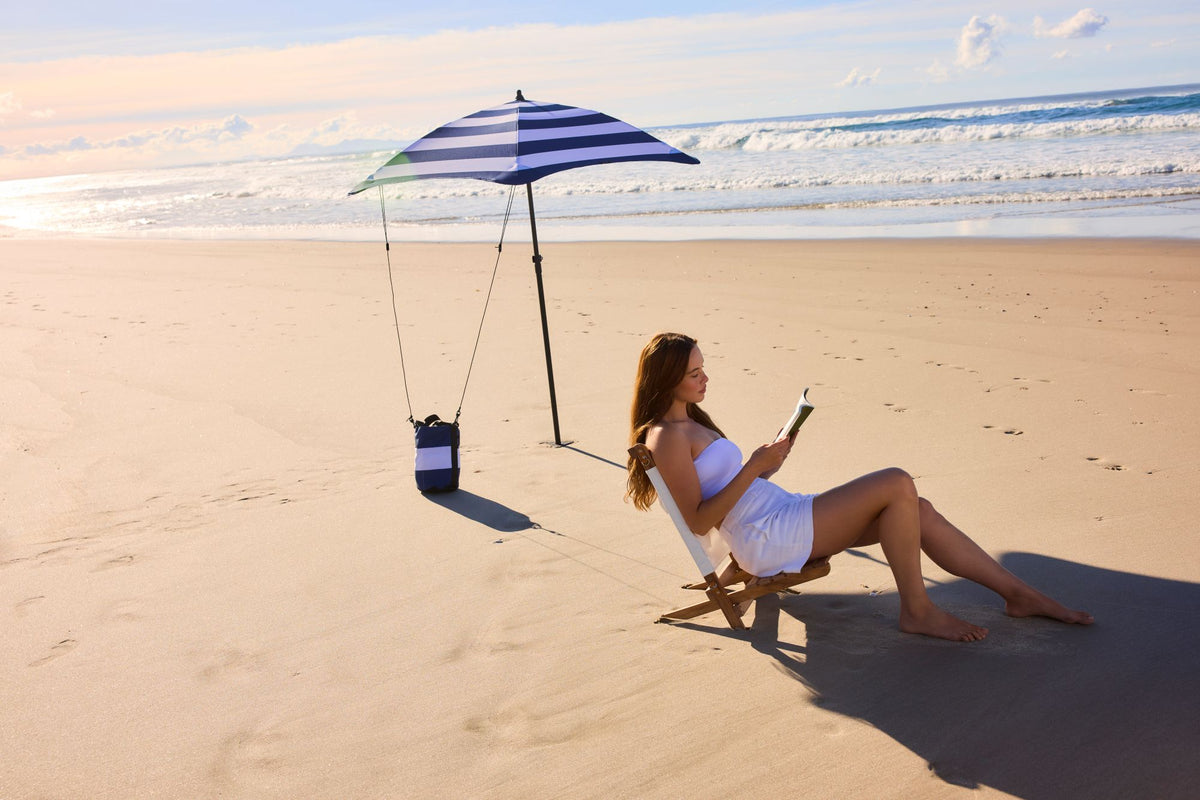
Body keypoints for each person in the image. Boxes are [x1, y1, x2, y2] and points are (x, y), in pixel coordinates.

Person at [626, 332, 1093, 642]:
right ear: (669, 378)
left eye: (703, 367)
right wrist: (753, 467)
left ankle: (1018, 594)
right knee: (896, 481)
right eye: (694, 373)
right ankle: (917, 611)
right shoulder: (666, 437)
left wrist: (769, 464)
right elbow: (698, 520)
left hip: (780, 514)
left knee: (918, 509)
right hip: (768, 537)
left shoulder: (689, 423)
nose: (705, 377)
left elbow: (726, 490)